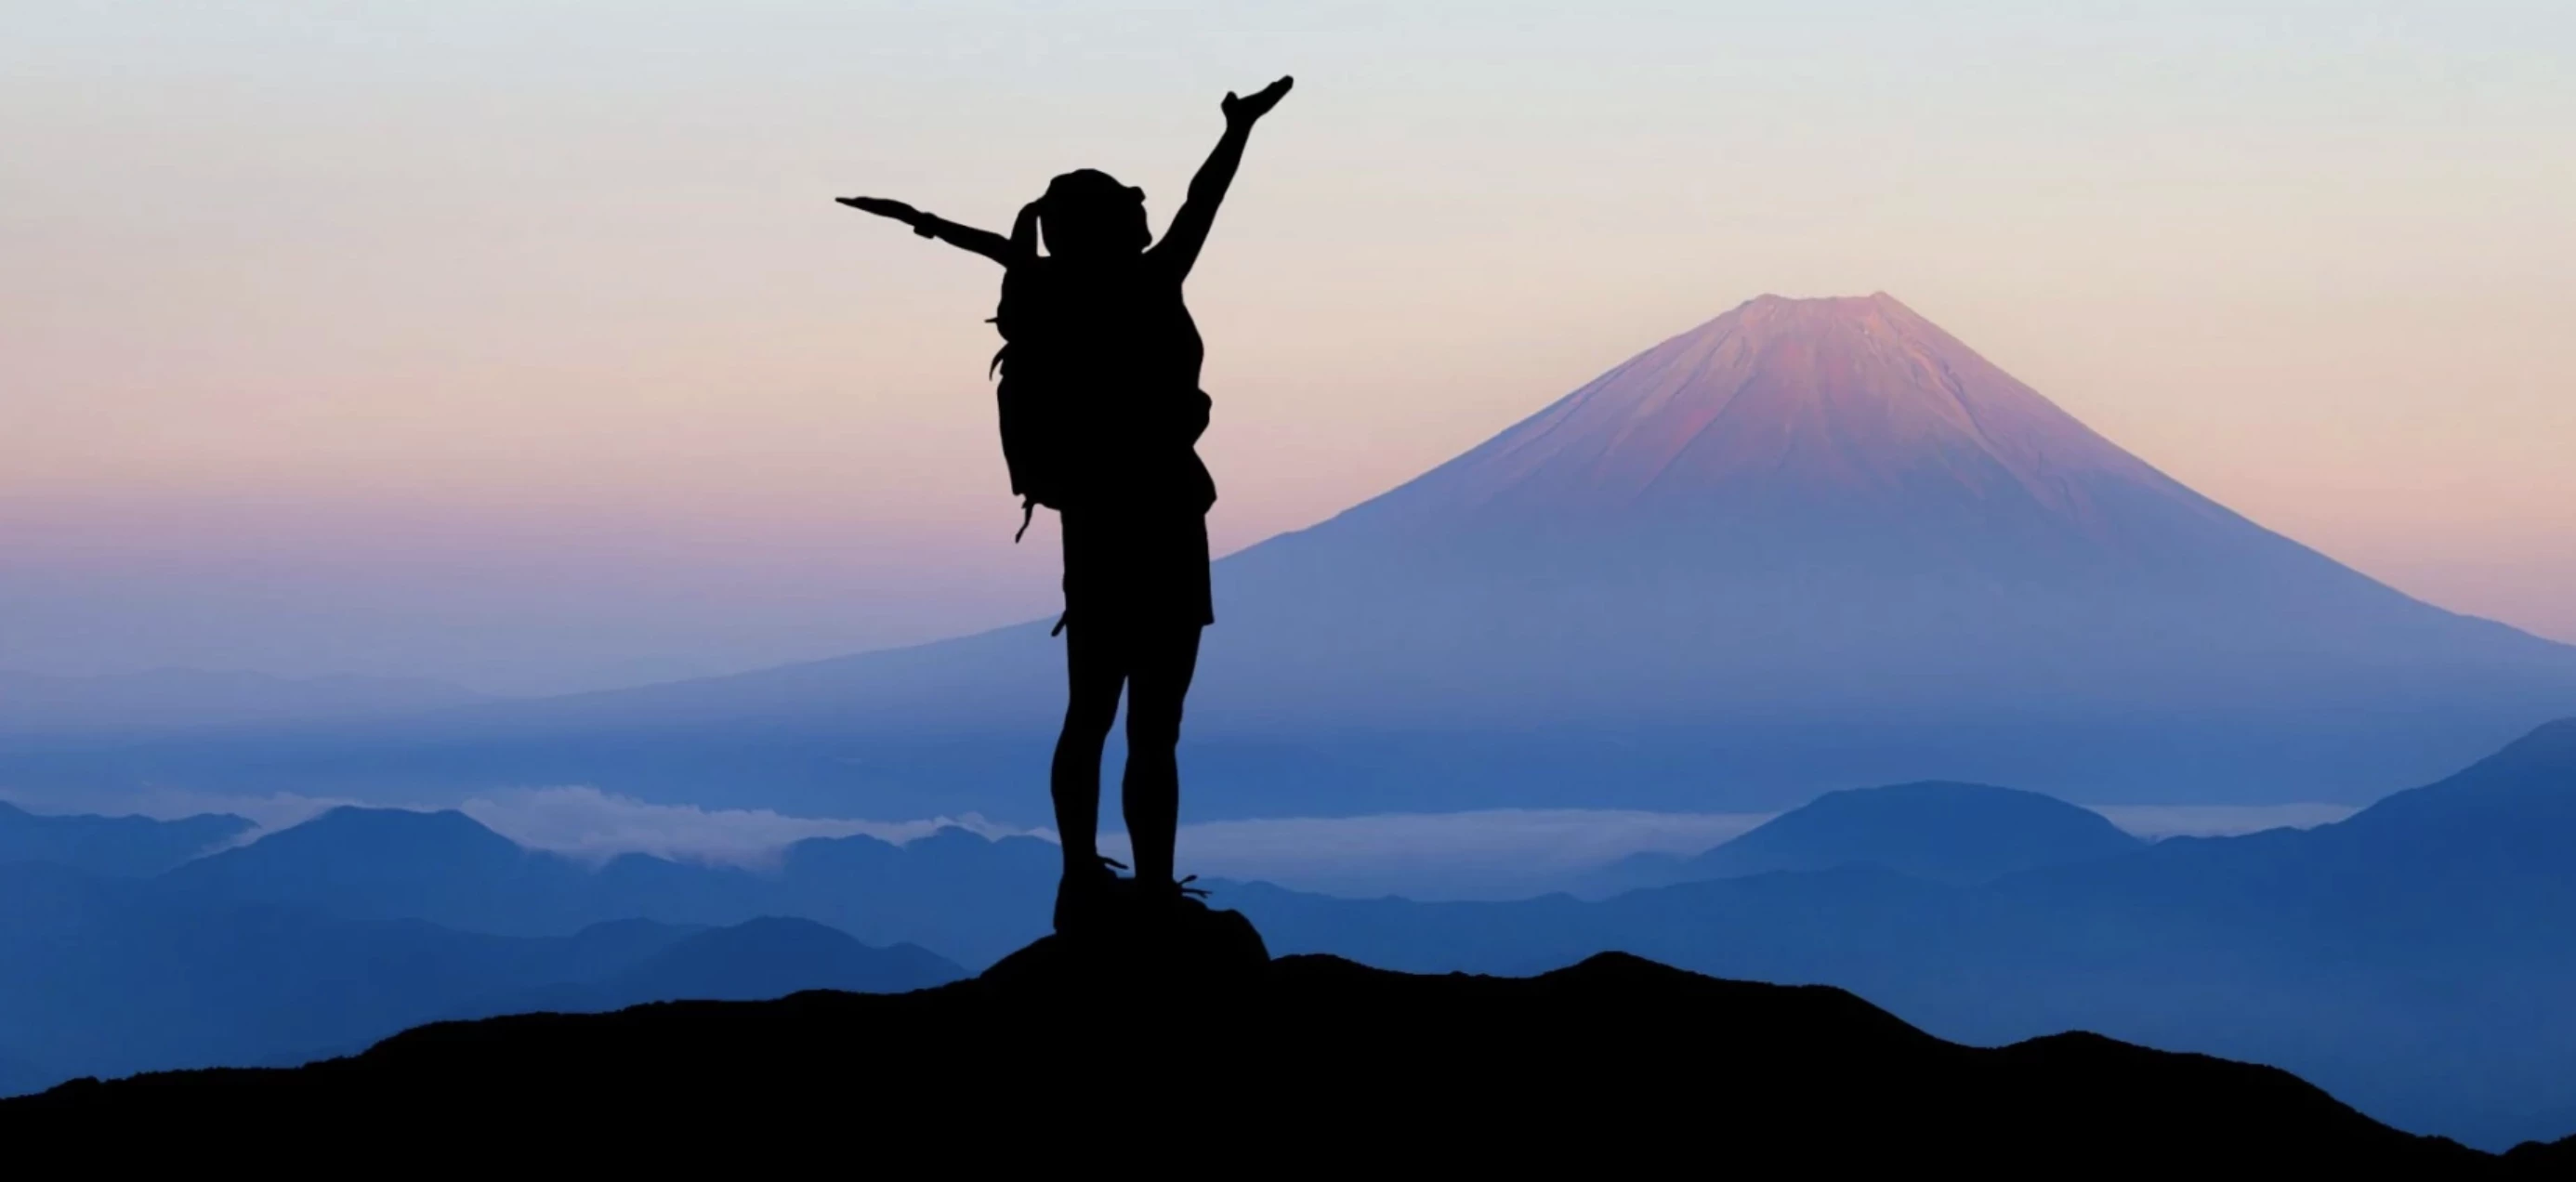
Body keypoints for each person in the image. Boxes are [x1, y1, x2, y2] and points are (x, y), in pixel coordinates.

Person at [838, 76, 1294, 934]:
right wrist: (1237, 131)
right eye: (1130, 210)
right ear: (1119, 227)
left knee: (1090, 710)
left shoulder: (1051, 296)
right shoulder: (1153, 283)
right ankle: (1152, 889)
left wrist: (924, 223)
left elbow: (1002, 255)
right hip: (1163, 517)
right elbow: (1206, 201)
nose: (1147, 216)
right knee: (1156, 723)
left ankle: (1079, 875)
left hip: (1093, 525)